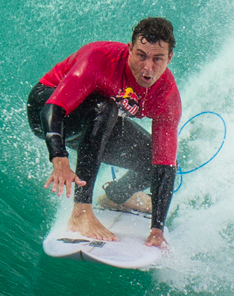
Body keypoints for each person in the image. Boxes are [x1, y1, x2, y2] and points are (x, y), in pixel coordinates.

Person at [26, 17, 182, 248]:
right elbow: (53, 108)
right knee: (106, 108)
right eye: (141, 55)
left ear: (169, 58)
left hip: (96, 120)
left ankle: (115, 198)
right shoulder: (101, 58)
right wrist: (59, 158)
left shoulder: (167, 97)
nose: (148, 67)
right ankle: (81, 212)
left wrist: (157, 230)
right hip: (47, 109)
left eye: (157, 59)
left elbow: (164, 165)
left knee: (156, 160)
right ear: (129, 49)